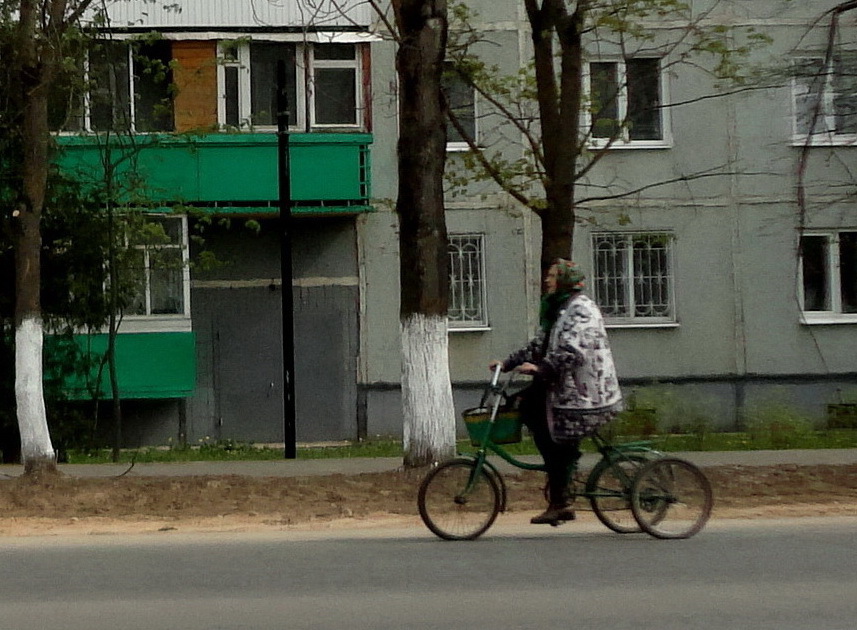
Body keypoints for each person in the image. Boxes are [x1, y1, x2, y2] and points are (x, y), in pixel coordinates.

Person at [490, 259, 623, 525]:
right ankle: (561, 485)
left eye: (552, 276)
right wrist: (508, 363)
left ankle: (562, 498)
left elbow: (572, 352)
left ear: (564, 280)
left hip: (587, 396)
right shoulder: (559, 310)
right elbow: (539, 345)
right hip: (566, 390)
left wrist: (541, 369)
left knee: (555, 439)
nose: (547, 280)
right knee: (526, 407)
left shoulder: (582, 310)